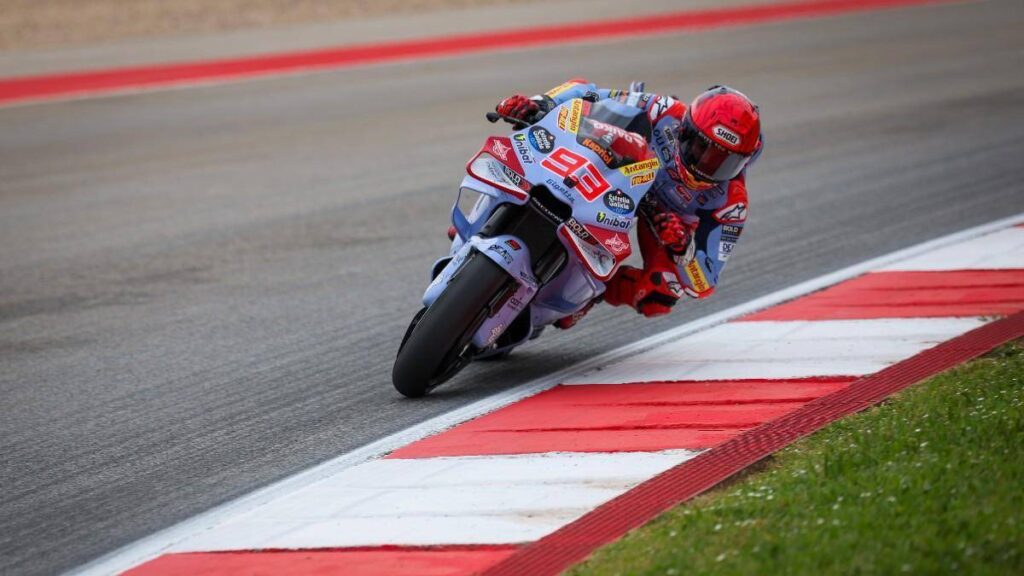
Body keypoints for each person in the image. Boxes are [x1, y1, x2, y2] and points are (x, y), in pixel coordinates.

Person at [495, 79, 762, 324]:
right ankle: (497, 205)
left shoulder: (732, 201)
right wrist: (540, 103)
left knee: (662, 292)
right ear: (685, 130)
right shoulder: (665, 111)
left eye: (724, 162)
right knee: (536, 146)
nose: (706, 164)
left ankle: (589, 294)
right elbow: (588, 93)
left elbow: (704, 281)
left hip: (663, 220)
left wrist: (682, 247)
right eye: (701, 148)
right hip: (622, 172)